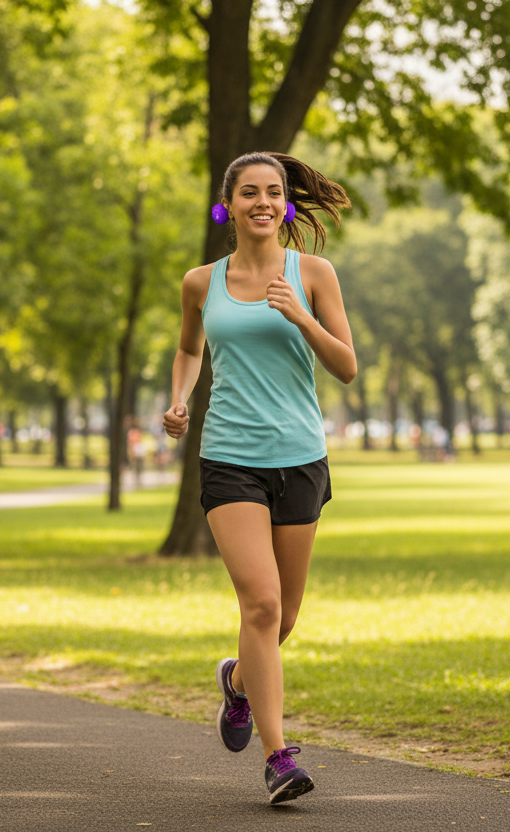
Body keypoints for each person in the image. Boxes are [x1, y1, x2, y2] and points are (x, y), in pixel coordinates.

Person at [162, 152, 356, 805]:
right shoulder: (200, 283)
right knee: (262, 605)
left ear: (287, 204)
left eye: (274, 192)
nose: (264, 202)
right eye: (250, 193)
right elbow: (190, 347)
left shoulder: (314, 273)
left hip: (300, 457)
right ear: (229, 205)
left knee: (285, 616)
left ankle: (238, 683)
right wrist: (181, 397)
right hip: (230, 458)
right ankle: (278, 757)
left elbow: (348, 366)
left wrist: (301, 316)